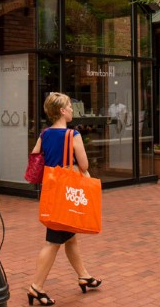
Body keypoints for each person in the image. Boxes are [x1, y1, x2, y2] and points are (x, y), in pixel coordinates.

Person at [27, 92, 100, 306]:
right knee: (53, 242)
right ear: (61, 111)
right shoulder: (73, 135)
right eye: (69, 106)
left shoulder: (44, 134)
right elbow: (85, 166)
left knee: (70, 237)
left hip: (51, 190)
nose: (71, 110)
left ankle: (84, 275)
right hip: (67, 194)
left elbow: (35, 156)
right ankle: (36, 287)